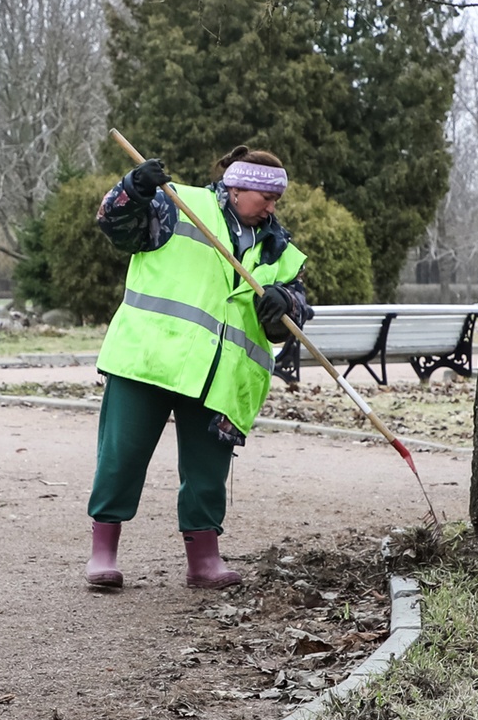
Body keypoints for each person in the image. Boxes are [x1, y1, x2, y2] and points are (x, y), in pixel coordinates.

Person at [85, 146, 311, 590]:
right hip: (148, 360)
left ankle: (204, 560)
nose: (271, 205)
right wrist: (131, 190)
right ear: (236, 186)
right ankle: (102, 554)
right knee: (121, 457)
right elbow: (114, 226)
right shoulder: (176, 206)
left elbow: (296, 313)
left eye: (276, 198)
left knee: (208, 471)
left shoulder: (280, 250)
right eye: (265, 194)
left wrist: (286, 304)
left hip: (221, 376)